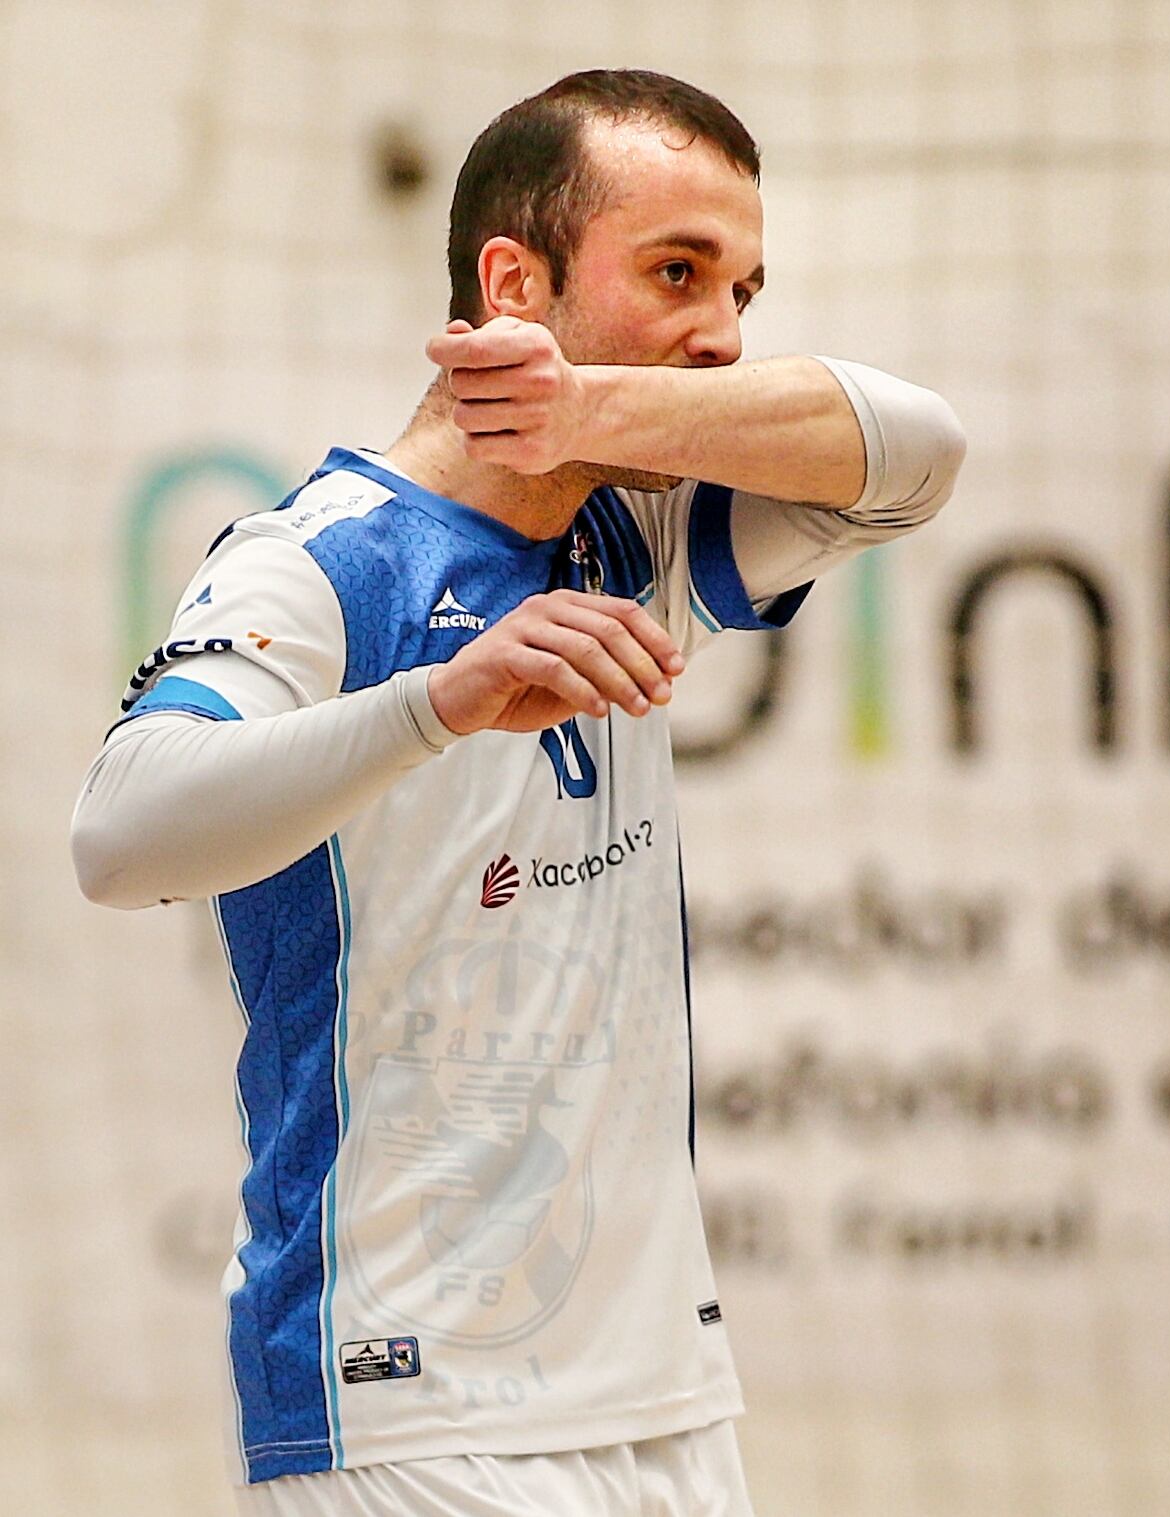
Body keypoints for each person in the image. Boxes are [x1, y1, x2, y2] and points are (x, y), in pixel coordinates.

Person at [69, 69, 965, 1517]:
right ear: (513, 282)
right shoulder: (323, 557)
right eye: (677, 272)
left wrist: (595, 403)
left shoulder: (642, 527)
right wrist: (444, 699)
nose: (723, 334)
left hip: (665, 1403)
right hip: (404, 1401)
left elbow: (922, 452)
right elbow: (119, 835)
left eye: (743, 285)